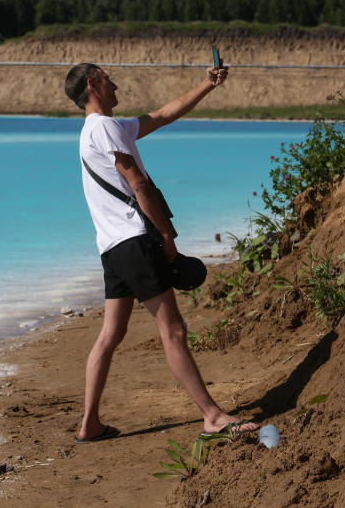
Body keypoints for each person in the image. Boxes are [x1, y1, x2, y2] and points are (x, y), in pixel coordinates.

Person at [63, 62, 259, 443]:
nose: (115, 84)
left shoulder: (99, 130)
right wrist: (167, 236)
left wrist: (207, 85)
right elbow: (137, 183)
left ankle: (90, 423)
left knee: (110, 334)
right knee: (173, 331)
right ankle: (213, 416)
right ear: (93, 84)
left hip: (111, 248)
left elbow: (163, 114)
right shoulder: (105, 128)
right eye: (108, 79)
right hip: (136, 241)